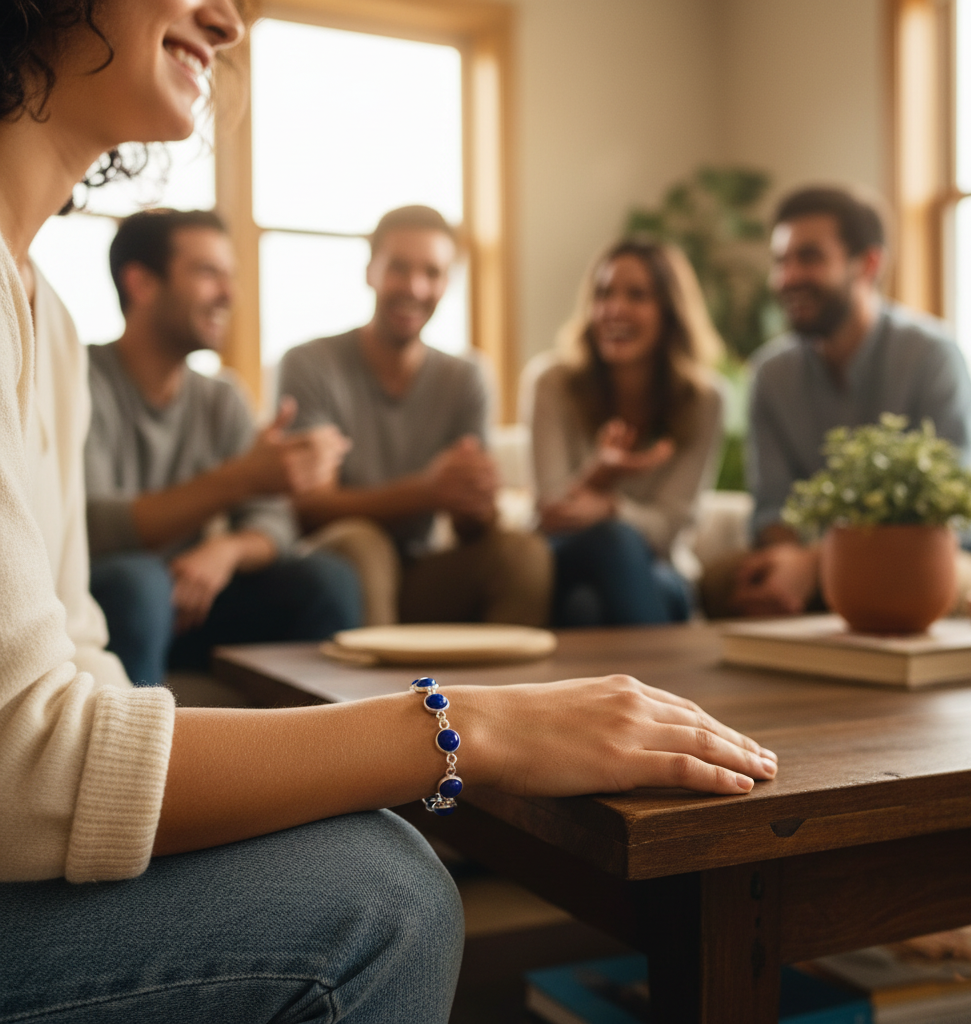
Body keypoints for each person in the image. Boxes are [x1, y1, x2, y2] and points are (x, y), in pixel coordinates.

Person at [0, 4, 777, 1022]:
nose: (227, 19)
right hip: (320, 573)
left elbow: (79, 665)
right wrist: (464, 723)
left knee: (382, 856)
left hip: (413, 573)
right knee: (389, 900)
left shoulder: (39, 312)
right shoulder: (282, 360)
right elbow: (27, 759)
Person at [700, 185, 971, 619]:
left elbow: (945, 509)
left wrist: (818, 561)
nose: (787, 277)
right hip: (809, 560)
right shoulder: (769, 375)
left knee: (908, 581)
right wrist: (789, 564)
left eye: (809, 257)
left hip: (941, 555)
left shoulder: (931, 355)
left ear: (868, 263)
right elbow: (774, 509)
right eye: (781, 260)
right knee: (721, 583)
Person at [84, 208, 362, 686]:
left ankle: (327, 754)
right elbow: (96, 524)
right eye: (208, 273)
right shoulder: (82, 380)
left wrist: (227, 550)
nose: (230, 294)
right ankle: (138, 753)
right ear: (142, 284)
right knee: (140, 582)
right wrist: (239, 479)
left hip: (197, 601)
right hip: (113, 600)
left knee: (329, 580)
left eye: (230, 276)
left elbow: (273, 522)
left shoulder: (222, 397)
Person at [279, 205, 552, 627]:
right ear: (370, 271)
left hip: (420, 573)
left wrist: (476, 500)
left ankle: (500, 696)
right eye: (399, 268)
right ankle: (382, 695)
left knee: (523, 554)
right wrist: (428, 490)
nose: (415, 287)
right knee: (365, 543)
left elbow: (468, 530)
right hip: (334, 569)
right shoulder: (309, 363)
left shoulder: (467, 376)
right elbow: (309, 509)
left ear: (448, 283)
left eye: (432, 273)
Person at [523, 239, 725, 626]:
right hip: (564, 556)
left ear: (670, 311)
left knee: (587, 609)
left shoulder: (705, 400)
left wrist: (611, 507)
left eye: (637, 295)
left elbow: (669, 530)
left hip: (657, 567)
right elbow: (549, 512)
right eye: (603, 294)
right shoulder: (551, 383)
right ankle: (660, 688)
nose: (614, 309)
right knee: (614, 542)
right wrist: (600, 475)